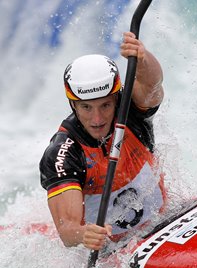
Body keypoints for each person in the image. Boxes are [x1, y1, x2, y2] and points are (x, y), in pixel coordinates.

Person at [39, 31, 166, 252]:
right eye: (86, 107)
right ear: (73, 105)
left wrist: (143, 58)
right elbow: (67, 230)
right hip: (113, 251)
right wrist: (84, 234)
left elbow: (152, 85)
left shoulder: (130, 110)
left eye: (105, 106)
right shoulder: (63, 153)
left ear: (116, 99)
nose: (97, 119)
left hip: (165, 222)